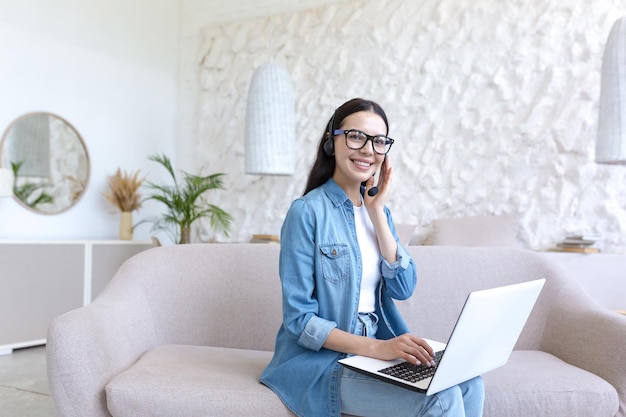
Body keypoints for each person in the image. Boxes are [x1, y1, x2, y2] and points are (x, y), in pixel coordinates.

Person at [260, 98, 485, 417]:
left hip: (374, 354)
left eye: (379, 141)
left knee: (470, 382)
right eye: (356, 136)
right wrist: (380, 349)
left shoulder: (380, 213)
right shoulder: (307, 212)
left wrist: (377, 212)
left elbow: (404, 287)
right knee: (442, 398)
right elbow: (300, 321)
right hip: (324, 364)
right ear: (331, 141)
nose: (368, 149)